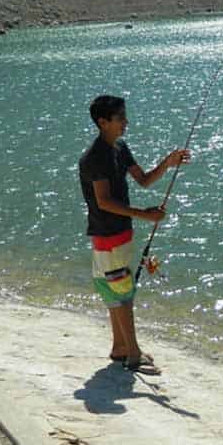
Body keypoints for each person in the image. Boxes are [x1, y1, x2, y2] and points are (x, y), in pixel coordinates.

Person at [79, 95, 190, 375]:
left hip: (122, 234)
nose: (126, 122)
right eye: (120, 118)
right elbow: (103, 201)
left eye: (124, 116)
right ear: (102, 122)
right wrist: (146, 215)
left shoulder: (120, 147)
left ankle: (120, 348)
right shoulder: (94, 158)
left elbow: (143, 180)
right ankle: (133, 355)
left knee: (118, 290)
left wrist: (168, 162)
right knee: (122, 294)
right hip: (107, 236)